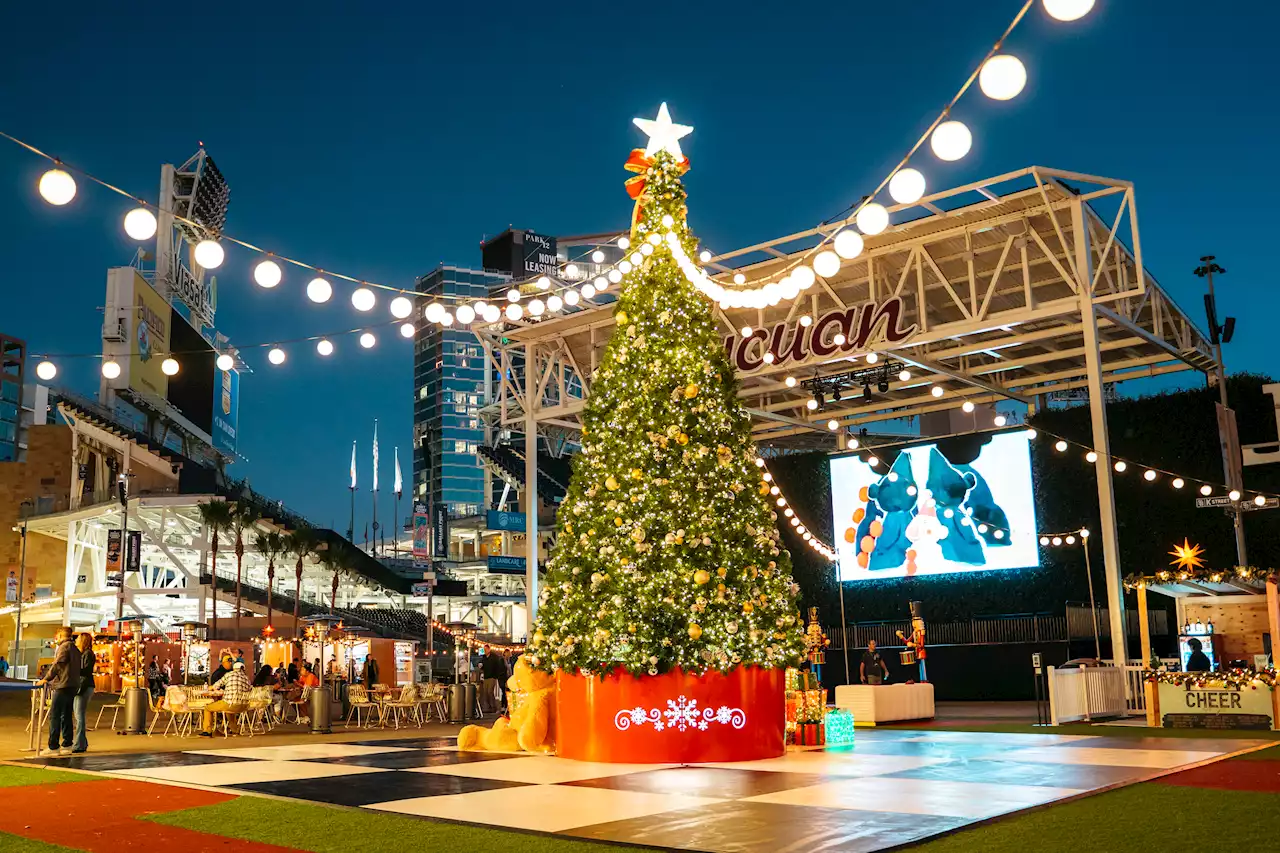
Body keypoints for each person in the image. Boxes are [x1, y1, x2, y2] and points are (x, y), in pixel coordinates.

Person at [34, 627, 81, 755]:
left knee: (55, 715)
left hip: (62, 685)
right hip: (73, 685)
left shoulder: (64, 647)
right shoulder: (75, 649)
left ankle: (53, 746)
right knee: (66, 714)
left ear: (60, 635)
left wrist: (46, 678)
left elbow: (57, 665)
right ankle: (67, 744)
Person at [200, 661, 252, 737]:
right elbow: (249, 690)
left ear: (234, 668)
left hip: (229, 704)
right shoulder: (246, 678)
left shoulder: (229, 674)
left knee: (208, 708)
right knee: (230, 710)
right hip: (244, 706)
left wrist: (211, 688)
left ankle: (207, 731)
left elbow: (217, 685)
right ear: (243, 669)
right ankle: (235, 730)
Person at [72, 633, 96, 754]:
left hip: (84, 686)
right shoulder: (86, 654)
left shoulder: (87, 654)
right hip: (86, 685)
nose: (76, 640)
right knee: (78, 714)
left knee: (79, 715)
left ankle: (79, 743)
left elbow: (85, 670)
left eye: (78, 638)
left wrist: (73, 669)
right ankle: (82, 742)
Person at [482, 646, 507, 713]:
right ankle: (488, 707)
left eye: (486, 649)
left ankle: (493, 707)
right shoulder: (484, 657)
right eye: (484, 650)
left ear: (489, 649)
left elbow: (498, 667)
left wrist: (496, 675)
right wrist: (481, 666)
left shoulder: (494, 657)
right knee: (485, 692)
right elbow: (483, 666)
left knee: (490, 691)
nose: (484, 651)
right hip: (486, 677)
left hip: (492, 676)